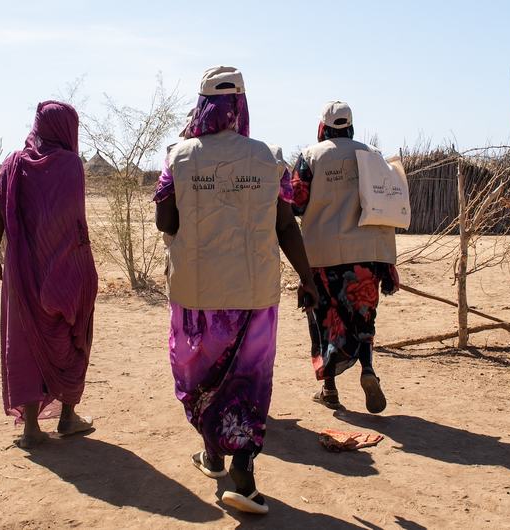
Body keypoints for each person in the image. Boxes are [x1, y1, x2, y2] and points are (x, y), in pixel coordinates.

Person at [155, 66, 318, 516]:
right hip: (254, 292)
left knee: (199, 377)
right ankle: (238, 462)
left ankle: (215, 453)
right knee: (250, 376)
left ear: (202, 103)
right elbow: (287, 226)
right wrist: (307, 278)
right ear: (241, 105)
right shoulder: (269, 158)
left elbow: (165, 221)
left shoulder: (178, 158)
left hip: (197, 293)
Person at [0, 101, 98, 449]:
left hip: (22, 274)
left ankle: (31, 427)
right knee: (73, 336)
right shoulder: (71, 167)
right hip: (66, 271)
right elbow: (74, 224)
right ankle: (67, 416)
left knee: (25, 342)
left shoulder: (13, 166)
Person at [291, 100, 399, 414]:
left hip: (322, 254)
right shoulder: (373, 156)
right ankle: (367, 370)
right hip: (366, 253)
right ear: (351, 126)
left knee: (326, 318)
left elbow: (296, 203)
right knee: (363, 316)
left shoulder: (311, 156)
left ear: (323, 127)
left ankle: (329, 389)